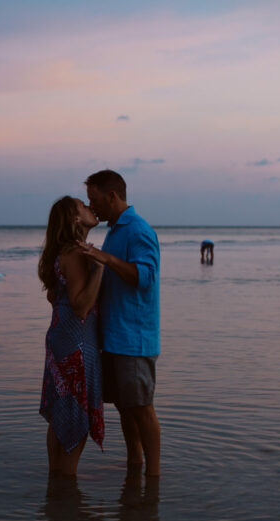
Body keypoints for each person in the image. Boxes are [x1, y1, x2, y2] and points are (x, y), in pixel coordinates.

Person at [78, 170, 162, 477]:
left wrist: (105, 259)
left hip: (134, 338)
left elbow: (145, 277)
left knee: (141, 407)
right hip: (113, 338)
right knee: (126, 407)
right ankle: (134, 463)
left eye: (95, 199)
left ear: (112, 196)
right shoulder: (114, 231)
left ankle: (153, 476)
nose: (92, 206)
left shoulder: (138, 230)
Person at [39, 196, 106, 476]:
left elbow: (59, 298)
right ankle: (65, 498)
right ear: (75, 219)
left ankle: (56, 490)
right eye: (83, 206)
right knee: (74, 415)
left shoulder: (59, 252)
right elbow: (80, 306)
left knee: (61, 415)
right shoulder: (78, 253)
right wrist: (101, 267)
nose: (91, 207)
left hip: (60, 339)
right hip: (76, 343)